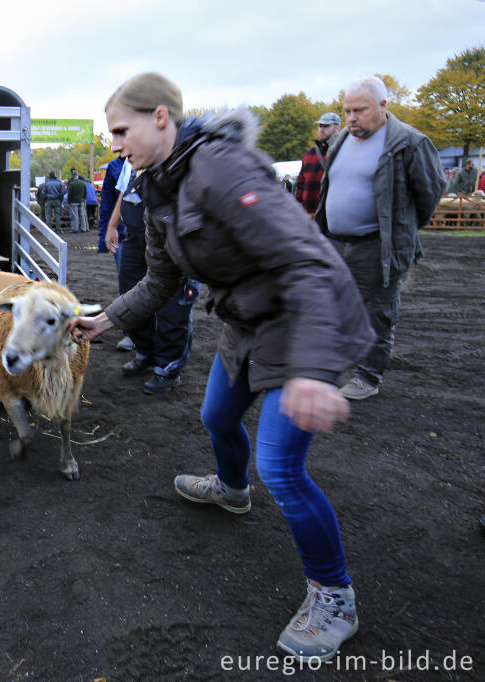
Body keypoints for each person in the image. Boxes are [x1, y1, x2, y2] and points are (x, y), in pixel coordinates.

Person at [70, 72, 374, 663]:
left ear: (161, 117)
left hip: (300, 322)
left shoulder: (220, 169)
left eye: (120, 129)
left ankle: (335, 596)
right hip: (246, 325)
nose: (114, 143)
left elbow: (306, 261)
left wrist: (312, 372)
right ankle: (232, 491)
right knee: (216, 416)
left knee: (282, 468)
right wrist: (106, 321)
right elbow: (160, 278)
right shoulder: (158, 185)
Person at [318, 75, 446, 400]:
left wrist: (399, 230)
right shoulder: (340, 140)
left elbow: (430, 193)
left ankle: (368, 377)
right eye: (347, 111)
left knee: (378, 312)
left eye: (359, 110)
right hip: (335, 241)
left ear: (383, 106)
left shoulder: (409, 142)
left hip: (377, 247)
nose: (351, 118)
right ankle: (327, 367)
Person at [107, 135, 199, 394]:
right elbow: (124, 192)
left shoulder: (177, 161)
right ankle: (145, 351)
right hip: (135, 238)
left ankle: (168, 367)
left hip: (169, 241)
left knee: (174, 304)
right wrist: (114, 225)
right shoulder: (132, 160)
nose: (117, 146)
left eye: (122, 133)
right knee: (129, 294)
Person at [98, 155, 133, 352]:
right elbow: (109, 202)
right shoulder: (116, 166)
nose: (116, 144)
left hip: (152, 233)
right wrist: (107, 232)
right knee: (127, 283)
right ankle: (130, 333)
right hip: (124, 236)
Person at [295, 112, 342, 215]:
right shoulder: (310, 153)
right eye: (320, 126)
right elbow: (300, 183)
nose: (321, 129)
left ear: (337, 128)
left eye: (326, 126)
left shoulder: (343, 150)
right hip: (309, 214)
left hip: (332, 214)